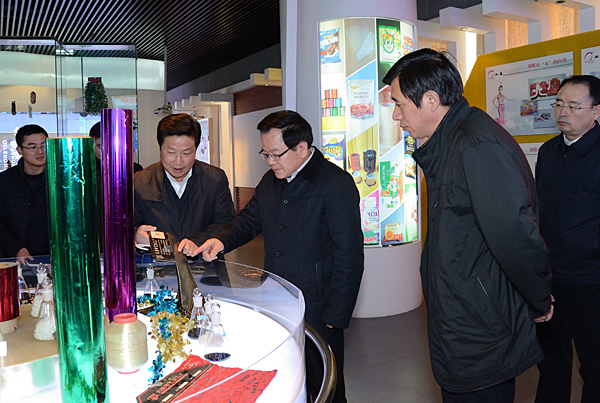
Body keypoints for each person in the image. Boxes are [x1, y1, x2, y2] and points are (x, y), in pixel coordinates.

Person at [382, 48, 552, 402]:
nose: (396, 115)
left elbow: (513, 234)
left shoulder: (475, 144)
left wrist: (538, 297)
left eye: (399, 104)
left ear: (431, 100)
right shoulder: (451, 142)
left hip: (482, 322)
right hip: (466, 315)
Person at [192, 110, 364, 403]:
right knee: (288, 375)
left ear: (302, 148)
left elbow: (349, 253)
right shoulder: (271, 180)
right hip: (277, 297)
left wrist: (337, 315)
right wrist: (221, 240)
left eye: (276, 154)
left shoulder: (335, 183)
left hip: (318, 305)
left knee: (325, 384)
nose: (270, 161)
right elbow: (249, 220)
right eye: (265, 154)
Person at [535, 75, 600, 403]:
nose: (563, 112)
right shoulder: (548, 151)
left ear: (596, 111)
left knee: (595, 366)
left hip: (590, 281)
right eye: (559, 104)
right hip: (550, 279)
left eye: (574, 106)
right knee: (550, 362)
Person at [134, 113, 235, 256]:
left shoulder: (215, 179)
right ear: (160, 146)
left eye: (186, 153)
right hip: (155, 265)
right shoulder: (139, 182)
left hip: (204, 263)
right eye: (171, 152)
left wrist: (197, 240)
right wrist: (135, 234)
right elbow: (121, 226)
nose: (178, 161)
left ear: (196, 149)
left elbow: (227, 222)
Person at [0, 124, 50, 263]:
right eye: (33, 147)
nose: (40, 151)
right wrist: (17, 249)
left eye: (44, 146)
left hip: (54, 259)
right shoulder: (4, 182)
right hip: (12, 259)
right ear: (20, 150)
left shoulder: (60, 180)